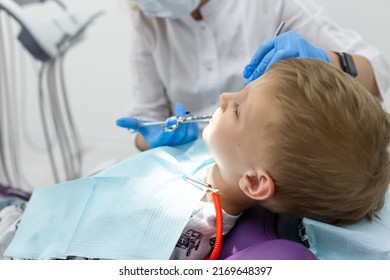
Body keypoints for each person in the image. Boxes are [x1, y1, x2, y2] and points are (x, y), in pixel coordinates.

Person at [2, 58, 390, 260]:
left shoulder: (190, 236)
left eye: (239, 110)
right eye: (242, 91)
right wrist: (161, 148)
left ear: (255, 182)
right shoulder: (220, 160)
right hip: (33, 210)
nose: (225, 98)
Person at [119, 0, 390, 151]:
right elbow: (145, 122)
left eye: (238, 108)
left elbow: (378, 71)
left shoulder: (267, 5)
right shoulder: (147, 22)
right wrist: (152, 136)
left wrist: (328, 60)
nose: (223, 99)